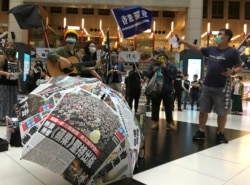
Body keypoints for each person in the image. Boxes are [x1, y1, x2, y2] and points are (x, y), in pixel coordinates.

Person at [179, 28, 242, 143]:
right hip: (207, 86)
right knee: (203, 110)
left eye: (220, 34)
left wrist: (232, 72)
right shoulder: (211, 49)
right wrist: (183, 42)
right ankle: (201, 131)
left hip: (222, 87)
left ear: (227, 37)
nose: (217, 36)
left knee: (222, 112)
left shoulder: (232, 52)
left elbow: (239, 66)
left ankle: (220, 133)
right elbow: (197, 48)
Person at [147, 50, 177, 130]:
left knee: (169, 107)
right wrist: (153, 71)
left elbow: (174, 76)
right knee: (155, 106)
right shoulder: (153, 65)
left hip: (167, 90)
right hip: (156, 89)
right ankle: (155, 122)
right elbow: (148, 75)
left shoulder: (171, 65)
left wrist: (166, 68)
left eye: (160, 55)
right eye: (157, 55)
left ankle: (169, 123)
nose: (159, 57)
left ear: (165, 56)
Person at [0, 42, 22, 124]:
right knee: (4, 101)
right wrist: (6, 73)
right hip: (4, 84)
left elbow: (20, 70)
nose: (10, 49)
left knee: (13, 102)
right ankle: (2, 118)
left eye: (12, 47)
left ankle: (11, 118)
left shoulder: (16, 60)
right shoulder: (2, 58)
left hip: (14, 84)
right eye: (8, 47)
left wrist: (19, 73)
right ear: (5, 48)